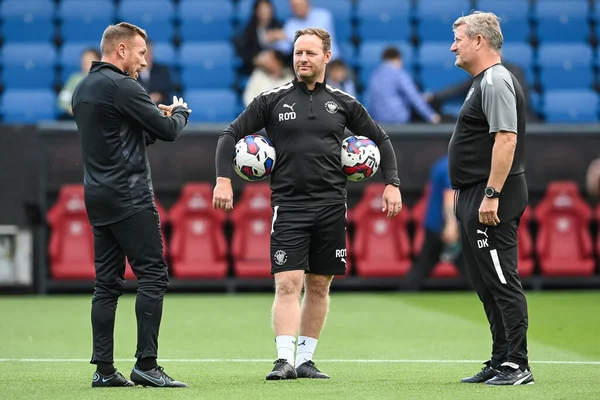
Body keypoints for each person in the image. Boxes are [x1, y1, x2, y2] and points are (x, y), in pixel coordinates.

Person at [213, 27, 402, 380]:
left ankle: (305, 360)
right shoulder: (273, 99)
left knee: (319, 285)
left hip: (332, 206)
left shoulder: (344, 103)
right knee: (288, 282)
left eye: (310, 53)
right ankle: (283, 359)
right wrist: (224, 178)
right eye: (298, 53)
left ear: (326, 57)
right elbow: (229, 135)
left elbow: (381, 139)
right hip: (289, 206)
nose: (302, 59)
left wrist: (391, 183)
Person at [71, 22, 191, 388]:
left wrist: (153, 120)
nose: (144, 60)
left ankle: (104, 370)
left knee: (106, 283)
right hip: (130, 194)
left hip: (97, 195)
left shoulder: (83, 89)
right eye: (140, 52)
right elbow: (168, 132)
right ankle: (147, 365)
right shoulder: (123, 85)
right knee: (153, 275)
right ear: (121, 50)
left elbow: (120, 136)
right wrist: (180, 112)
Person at [448, 12, 533, 385]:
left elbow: (506, 139)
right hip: (475, 194)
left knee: (501, 279)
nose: (453, 46)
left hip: (491, 196)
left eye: (459, 39)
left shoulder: (496, 80)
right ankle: (501, 359)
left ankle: (518, 364)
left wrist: (491, 194)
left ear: (479, 41)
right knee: (485, 283)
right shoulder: (482, 82)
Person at [401, 155, 466, 291]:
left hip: (437, 225)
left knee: (468, 268)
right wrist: (451, 225)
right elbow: (450, 196)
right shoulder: (451, 166)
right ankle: (406, 292)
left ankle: (405, 293)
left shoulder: (443, 163)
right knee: (424, 266)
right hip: (441, 227)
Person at [424, 60, 539, 122]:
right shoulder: (481, 73)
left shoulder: (514, 71)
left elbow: (521, 101)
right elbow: (458, 89)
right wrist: (433, 96)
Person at [366, 47, 441, 124]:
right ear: (398, 58)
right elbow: (413, 96)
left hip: (380, 122)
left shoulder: (374, 76)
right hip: (399, 121)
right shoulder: (397, 73)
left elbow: (371, 102)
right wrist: (431, 116)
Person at [234, 0, 286, 76]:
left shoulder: (280, 27)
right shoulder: (250, 30)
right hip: (259, 70)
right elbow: (245, 51)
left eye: (267, 8)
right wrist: (256, 60)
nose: (265, 12)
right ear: (256, 11)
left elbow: (287, 50)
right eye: (261, 9)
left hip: (280, 68)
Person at [57, 47, 101, 118]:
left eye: (89, 59)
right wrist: (71, 110)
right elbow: (63, 100)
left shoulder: (105, 79)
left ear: (99, 61)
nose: (85, 62)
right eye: (84, 60)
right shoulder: (74, 79)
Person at [137, 39, 175, 105]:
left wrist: (158, 96)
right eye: (145, 53)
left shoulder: (162, 71)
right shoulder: (130, 72)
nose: (148, 56)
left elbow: (166, 90)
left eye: (150, 53)